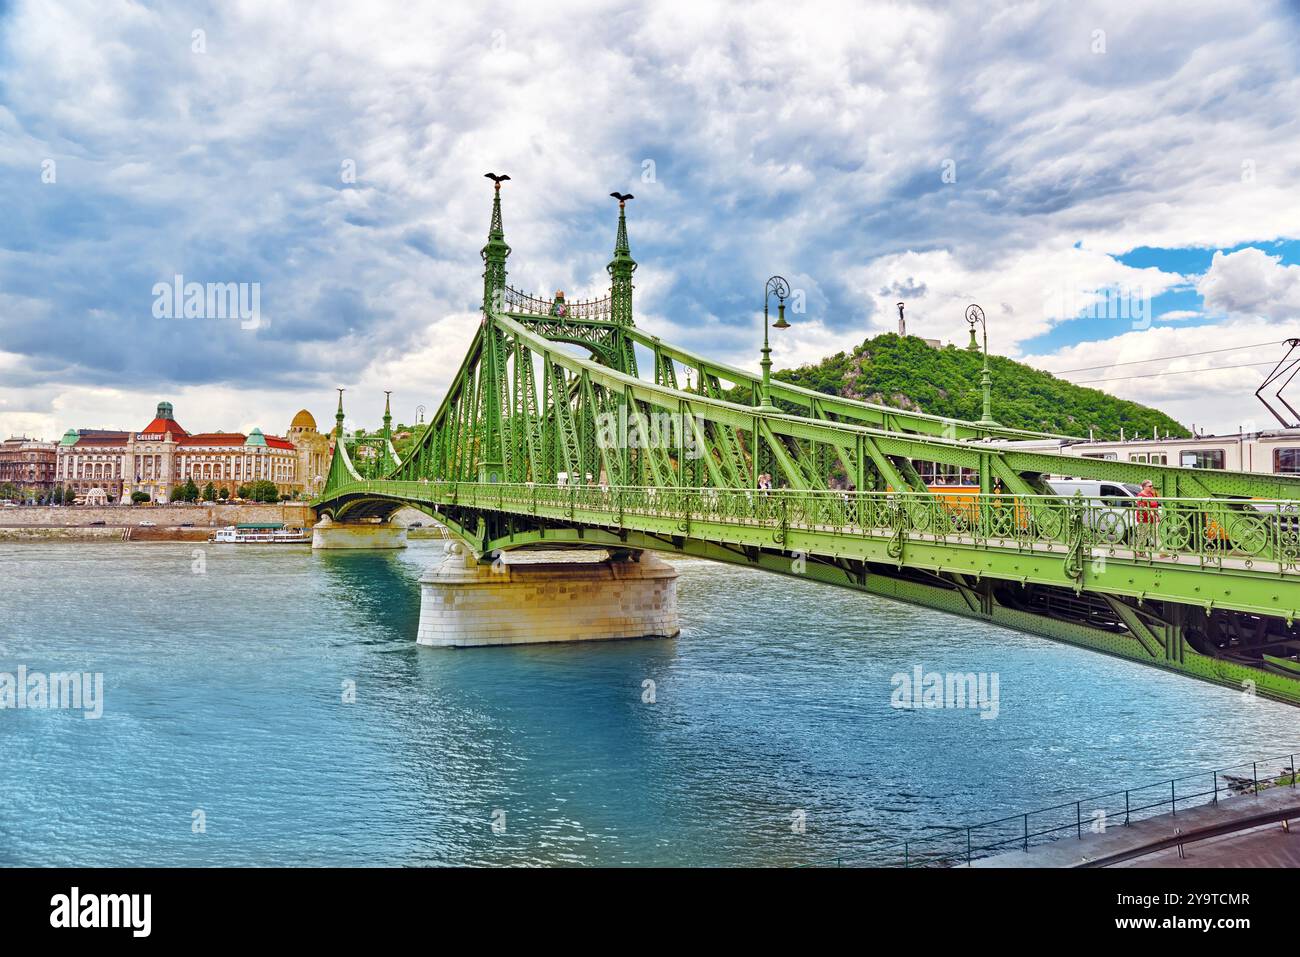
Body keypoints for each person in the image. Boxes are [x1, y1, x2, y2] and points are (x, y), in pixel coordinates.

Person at [1135, 479, 1161, 553]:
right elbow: (1142, 507)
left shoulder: (1151, 494)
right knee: (1142, 536)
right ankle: (1139, 551)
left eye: (1152, 486)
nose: (1152, 487)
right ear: (1144, 487)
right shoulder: (1140, 495)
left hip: (1153, 519)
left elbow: (1156, 504)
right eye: (1150, 486)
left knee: (1157, 535)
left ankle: (1162, 552)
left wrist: (1157, 516)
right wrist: (1151, 513)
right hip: (1144, 519)